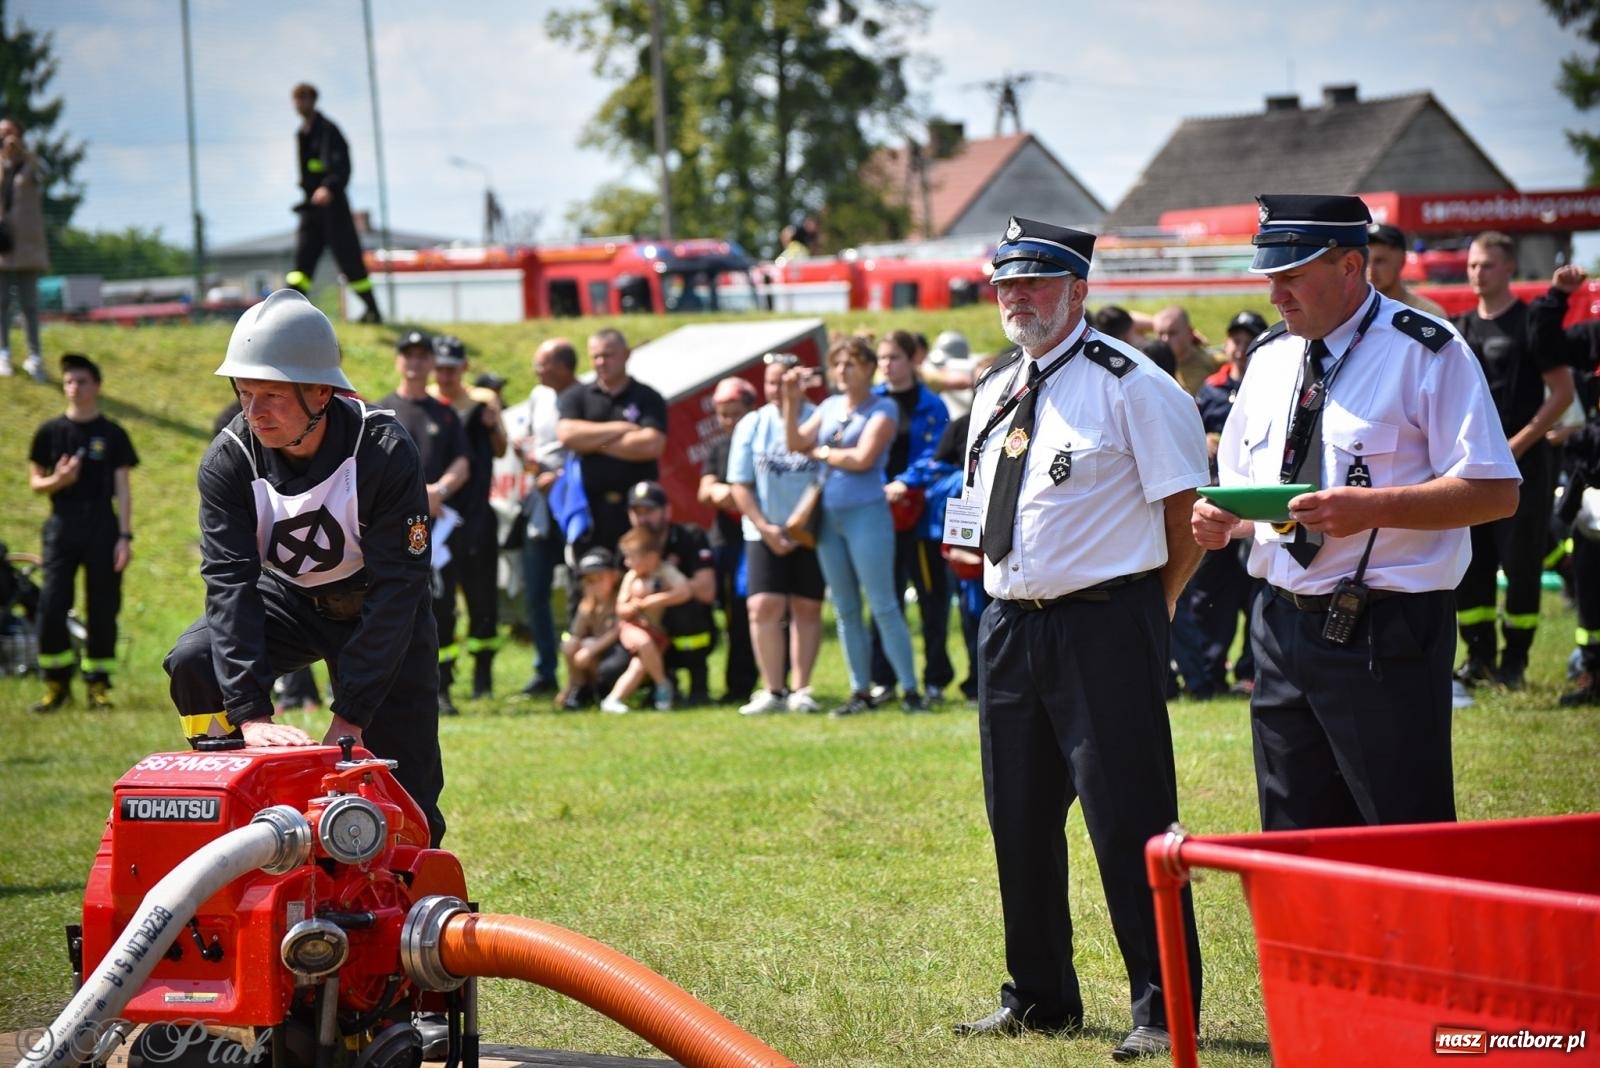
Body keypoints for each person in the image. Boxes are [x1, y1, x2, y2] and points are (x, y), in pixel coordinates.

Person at [954, 217, 1208, 1062]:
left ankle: (1165, 1009)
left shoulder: (1134, 384)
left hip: (1104, 625)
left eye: (1034, 282)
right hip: (1007, 626)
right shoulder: (994, 386)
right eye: (1005, 284)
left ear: (1078, 290)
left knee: (1129, 820)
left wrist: (1149, 611)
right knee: (1017, 820)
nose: (1016, 298)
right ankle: (1038, 997)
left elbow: (1186, 518)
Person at [1193, 195, 1519, 838]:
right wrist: (1221, 518)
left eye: (1291, 276)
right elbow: (1242, 487)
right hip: (1280, 625)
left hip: (1385, 630)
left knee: (1401, 833)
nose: (1276, 295)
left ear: (1350, 266)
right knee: (1295, 835)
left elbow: (1495, 492)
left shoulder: (1427, 350)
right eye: (1269, 278)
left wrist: (1368, 509)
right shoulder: (1267, 358)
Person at [162, 289, 446, 846]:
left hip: (377, 610)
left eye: (271, 395)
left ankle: (414, 901)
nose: (254, 412)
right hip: (288, 599)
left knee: (403, 789)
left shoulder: (383, 450)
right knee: (195, 661)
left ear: (321, 392)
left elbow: (399, 588)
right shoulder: (229, 460)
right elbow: (229, 584)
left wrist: (351, 714)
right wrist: (251, 716)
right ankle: (228, 810)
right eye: (244, 394)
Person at [1450, 231, 1577, 692]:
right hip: (1468, 466)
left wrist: (1516, 444)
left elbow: (1563, 394)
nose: (1477, 273)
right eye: (1471, 266)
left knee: (1521, 563)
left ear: (1509, 269)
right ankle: (1479, 658)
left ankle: (1515, 663)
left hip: (1525, 463)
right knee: (1472, 561)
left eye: (1486, 264)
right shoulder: (1458, 327)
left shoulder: (1531, 323)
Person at [783, 335, 928, 716]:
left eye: (850, 364)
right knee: (845, 608)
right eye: (837, 365)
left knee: (883, 604)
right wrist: (790, 399)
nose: (842, 372)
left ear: (867, 368)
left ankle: (910, 690)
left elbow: (864, 459)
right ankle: (859, 690)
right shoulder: (829, 405)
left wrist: (824, 452)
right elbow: (796, 441)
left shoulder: (884, 408)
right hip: (830, 517)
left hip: (867, 513)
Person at [28, 353, 138, 711]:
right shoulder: (49, 433)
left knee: (103, 606)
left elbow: (123, 488)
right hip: (61, 526)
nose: (74, 388)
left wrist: (124, 537)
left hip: (102, 527)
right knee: (52, 603)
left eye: (82, 381)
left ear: (97, 386)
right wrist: (58, 480)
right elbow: (35, 483)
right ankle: (56, 683)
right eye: (69, 382)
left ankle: (98, 685)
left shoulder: (112, 433)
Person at [727, 354, 826, 714]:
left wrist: (801, 523)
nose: (778, 389)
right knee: (763, 605)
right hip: (762, 529)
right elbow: (739, 484)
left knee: (806, 605)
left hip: (809, 530)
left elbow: (825, 474)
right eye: (771, 382)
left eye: (785, 381)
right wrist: (765, 527)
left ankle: (801, 689)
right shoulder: (752, 423)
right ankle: (773, 689)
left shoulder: (817, 417)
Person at [380, 329, 469, 715]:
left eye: (422, 356)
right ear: (398, 360)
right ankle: (387, 687)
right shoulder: (379, 412)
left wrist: (440, 491)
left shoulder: (445, 413)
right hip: (390, 529)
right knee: (391, 606)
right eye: (408, 355)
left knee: (442, 607)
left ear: (431, 362)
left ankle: (441, 686)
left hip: (436, 528)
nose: (415, 363)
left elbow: (463, 462)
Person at [870, 329, 955, 703]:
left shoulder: (931, 404)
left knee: (931, 599)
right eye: (882, 359)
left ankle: (935, 678)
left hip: (919, 518)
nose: (887, 366)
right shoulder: (870, 402)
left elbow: (936, 456)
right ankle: (884, 679)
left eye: (894, 358)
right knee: (883, 598)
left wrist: (905, 482)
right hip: (877, 515)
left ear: (913, 360)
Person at [1188, 310, 1270, 694]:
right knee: (1211, 590)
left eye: (1247, 339)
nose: (1239, 347)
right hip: (1217, 500)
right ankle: (1211, 668)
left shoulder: (1272, 385)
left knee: (1255, 584)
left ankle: (1251, 669)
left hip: (1256, 504)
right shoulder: (1211, 388)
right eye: (1234, 338)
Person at [428, 334, 507, 699]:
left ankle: (484, 679)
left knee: (482, 600)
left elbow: (501, 448)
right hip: (437, 518)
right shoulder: (427, 404)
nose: (445, 375)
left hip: (476, 515)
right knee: (440, 603)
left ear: (464, 367)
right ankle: (443, 683)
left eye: (452, 368)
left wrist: (494, 420)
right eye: (440, 367)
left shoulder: (481, 401)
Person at [556, 328, 668, 552]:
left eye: (608, 355)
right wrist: (621, 429)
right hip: (589, 509)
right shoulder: (576, 396)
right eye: (595, 356)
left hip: (637, 510)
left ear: (626, 354)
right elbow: (567, 434)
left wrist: (591, 444)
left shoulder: (648, 397)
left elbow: (652, 444)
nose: (601, 362)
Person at [515, 337, 579, 696]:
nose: (537, 370)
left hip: (570, 503)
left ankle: (578, 667)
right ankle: (545, 669)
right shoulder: (539, 396)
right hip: (539, 505)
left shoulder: (584, 396)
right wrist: (525, 455)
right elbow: (525, 440)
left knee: (575, 590)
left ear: (563, 367)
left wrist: (560, 476)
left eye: (543, 364)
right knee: (535, 591)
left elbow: (587, 450)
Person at [286, 84, 381, 323]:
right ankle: (287, 313)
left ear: (313, 100)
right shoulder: (302, 133)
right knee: (302, 262)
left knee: (349, 260)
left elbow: (341, 166)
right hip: (312, 209)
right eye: (296, 99)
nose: (299, 103)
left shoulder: (328, 130)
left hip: (334, 208)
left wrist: (328, 186)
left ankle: (372, 311)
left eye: (304, 98)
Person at [697, 375, 760, 702]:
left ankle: (749, 684)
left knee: (750, 610)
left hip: (756, 540)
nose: (728, 421)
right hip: (725, 540)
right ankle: (726, 688)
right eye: (722, 414)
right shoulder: (719, 448)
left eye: (735, 412)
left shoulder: (763, 442)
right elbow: (705, 491)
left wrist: (731, 494)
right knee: (727, 615)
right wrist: (738, 494)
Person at [625, 480, 718, 704]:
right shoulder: (629, 545)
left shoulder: (690, 536)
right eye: (637, 512)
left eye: (649, 511)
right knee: (608, 671)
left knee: (685, 611)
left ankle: (699, 686)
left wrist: (663, 593)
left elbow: (706, 591)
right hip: (644, 627)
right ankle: (660, 686)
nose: (643, 518)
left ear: (667, 511)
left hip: (686, 627)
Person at [600, 526, 689, 713]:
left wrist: (657, 600)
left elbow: (684, 591)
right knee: (644, 643)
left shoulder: (666, 571)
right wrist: (634, 606)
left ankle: (613, 699)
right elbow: (620, 608)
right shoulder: (631, 577)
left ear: (651, 557)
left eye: (631, 557)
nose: (626, 562)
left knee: (640, 665)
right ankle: (663, 685)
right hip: (632, 627)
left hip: (656, 630)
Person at [0, 117, 50, 381]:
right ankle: (3, 353)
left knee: (30, 305)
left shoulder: (29, 167)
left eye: (9, 132)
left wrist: (23, 151)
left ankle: (35, 358)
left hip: (28, 247)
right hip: (2, 247)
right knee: (2, 302)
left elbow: (46, 171)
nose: (5, 137)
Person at [558, 547, 629, 710]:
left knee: (588, 646)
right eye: (589, 580)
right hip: (596, 652)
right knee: (571, 645)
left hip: (619, 651)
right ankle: (578, 688)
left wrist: (592, 649)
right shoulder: (587, 604)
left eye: (600, 578)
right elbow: (576, 633)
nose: (595, 585)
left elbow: (618, 629)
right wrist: (572, 647)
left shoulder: (620, 599)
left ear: (614, 576)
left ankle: (601, 690)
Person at [1365, 223, 1447, 317]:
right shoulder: (1352, 313)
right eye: (1366, 262)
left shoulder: (1428, 314)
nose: (1370, 271)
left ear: (1401, 261)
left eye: (1380, 261)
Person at [1146, 305, 1220, 396]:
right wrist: (1157, 321)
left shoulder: (1214, 362)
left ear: (1189, 332)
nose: (1165, 339)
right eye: (1160, 333)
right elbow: (1126, 322)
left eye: (1172, 333)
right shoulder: (1152, 362)